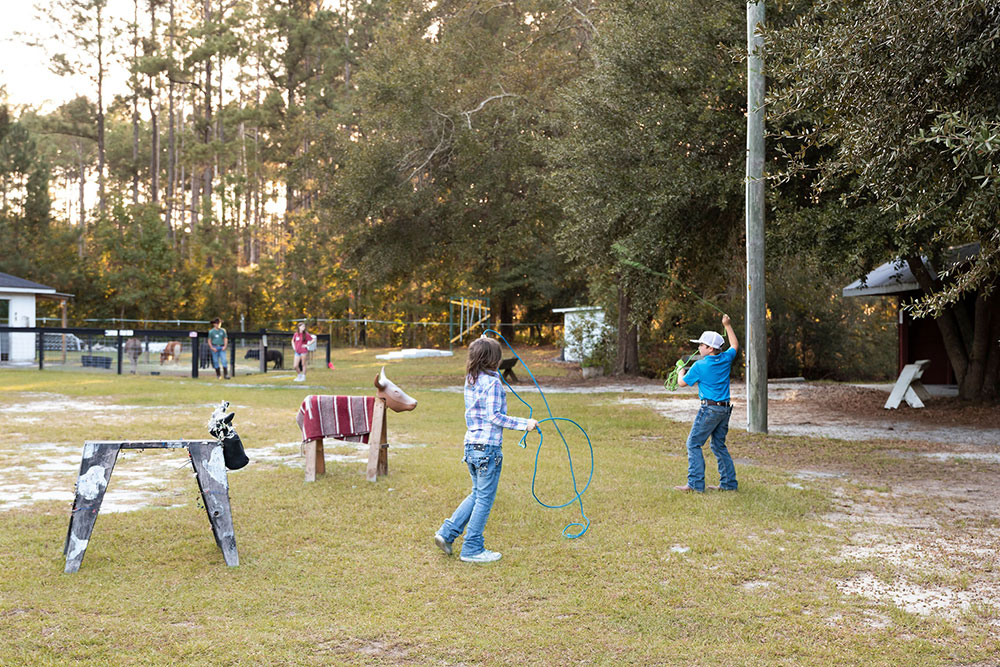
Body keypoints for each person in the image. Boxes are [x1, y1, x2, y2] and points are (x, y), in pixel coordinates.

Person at [434, 336, 538, 564]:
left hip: (471, 447)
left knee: (477, 493)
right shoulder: (493, 383)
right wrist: (525, 424)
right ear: (494, 359)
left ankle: (446, 533)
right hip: (487, 450)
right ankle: (472, 548)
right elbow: (494, 417)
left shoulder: (471, 379)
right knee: (484, 498)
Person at [674, 314, 739, 493]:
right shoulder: (726, 359)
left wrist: (681, 370)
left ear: (710, 348)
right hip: (724, 409)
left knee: (693, 443)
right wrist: (727, 325)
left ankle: (695, 485)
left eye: (701, 345)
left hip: (709, 409)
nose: (699, 347)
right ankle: (728, 485)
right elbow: (734, 345)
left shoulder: (700, 366)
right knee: (718, 445)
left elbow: (681, 383)